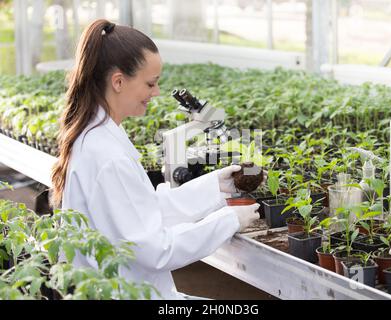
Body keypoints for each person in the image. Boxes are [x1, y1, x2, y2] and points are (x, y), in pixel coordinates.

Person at [50, 19, 260, 300]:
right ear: (118, 82)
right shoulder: (106, 155)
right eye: (150, 83)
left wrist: (216, 186)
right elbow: (156, 250)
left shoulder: (99, 135)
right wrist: (228, 221)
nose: (156, 93)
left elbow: (142, 210)